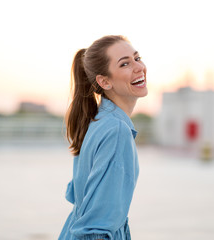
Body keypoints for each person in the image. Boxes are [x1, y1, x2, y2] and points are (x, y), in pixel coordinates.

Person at [59, 35, 147, 240]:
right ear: (104, 81)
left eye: (137, 58)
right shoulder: (116, 131)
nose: (138, 67)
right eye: (125, 63)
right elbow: (96, 227)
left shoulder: (98, 121)